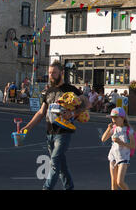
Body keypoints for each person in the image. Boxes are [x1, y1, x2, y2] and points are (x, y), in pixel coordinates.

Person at [20, 60, 89, 190]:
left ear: (61, 73)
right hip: (50, 133)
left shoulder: (70, 89)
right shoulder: (49, 91)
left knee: (54, 164)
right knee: (61, 165)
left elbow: (87, 103)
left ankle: (46, 188)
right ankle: (69, 187)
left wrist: (74, 112)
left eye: (54, 73)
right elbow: (41, 112)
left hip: (63, 133)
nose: (51, 75)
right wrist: (27, 127)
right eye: (50, 73)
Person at [101, 107, 135, 190]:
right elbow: (103, 139)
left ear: (122, 118)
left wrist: (120, 142)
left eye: (116, 117)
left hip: (123, 158)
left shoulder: (129, 130)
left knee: (120, 181)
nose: (113, 120)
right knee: (113, 183)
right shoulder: (114, 128)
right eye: (112, 118)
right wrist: (108, 128)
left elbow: (133, 146)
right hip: (113, 156)